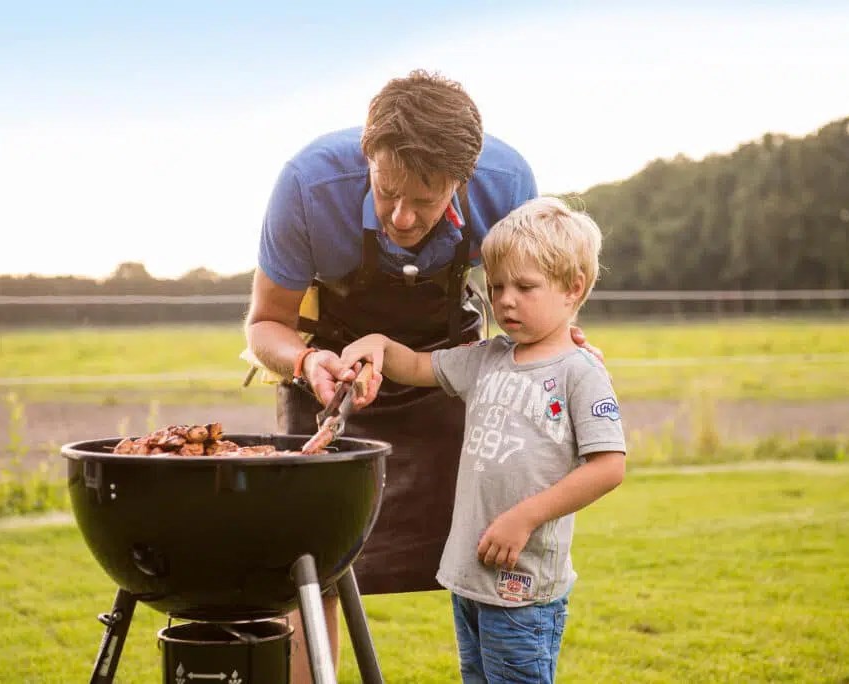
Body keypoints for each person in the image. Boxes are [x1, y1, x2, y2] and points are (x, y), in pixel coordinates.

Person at [244, 70, 597, 682]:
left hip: (447, 373)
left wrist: (557, 340)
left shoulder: (507, 182)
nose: (401, 218)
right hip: (332, 375)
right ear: (367, 157)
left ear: (463, 181)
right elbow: (266, 325)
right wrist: (306, 363)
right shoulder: (308, 184)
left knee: (488, 547)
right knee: (309, 567)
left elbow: (540, 289)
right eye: (386, 192)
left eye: (426, 201)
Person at [340, 196, 626, 683]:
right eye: (495, 287)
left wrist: (523, 518)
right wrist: (378, 345)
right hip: (471, 575)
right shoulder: (485, 358)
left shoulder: (580, 372)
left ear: (572, 289)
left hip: (523, 583)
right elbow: (415, 366)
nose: (506, 300)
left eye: (525, 287)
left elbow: (608, 466)